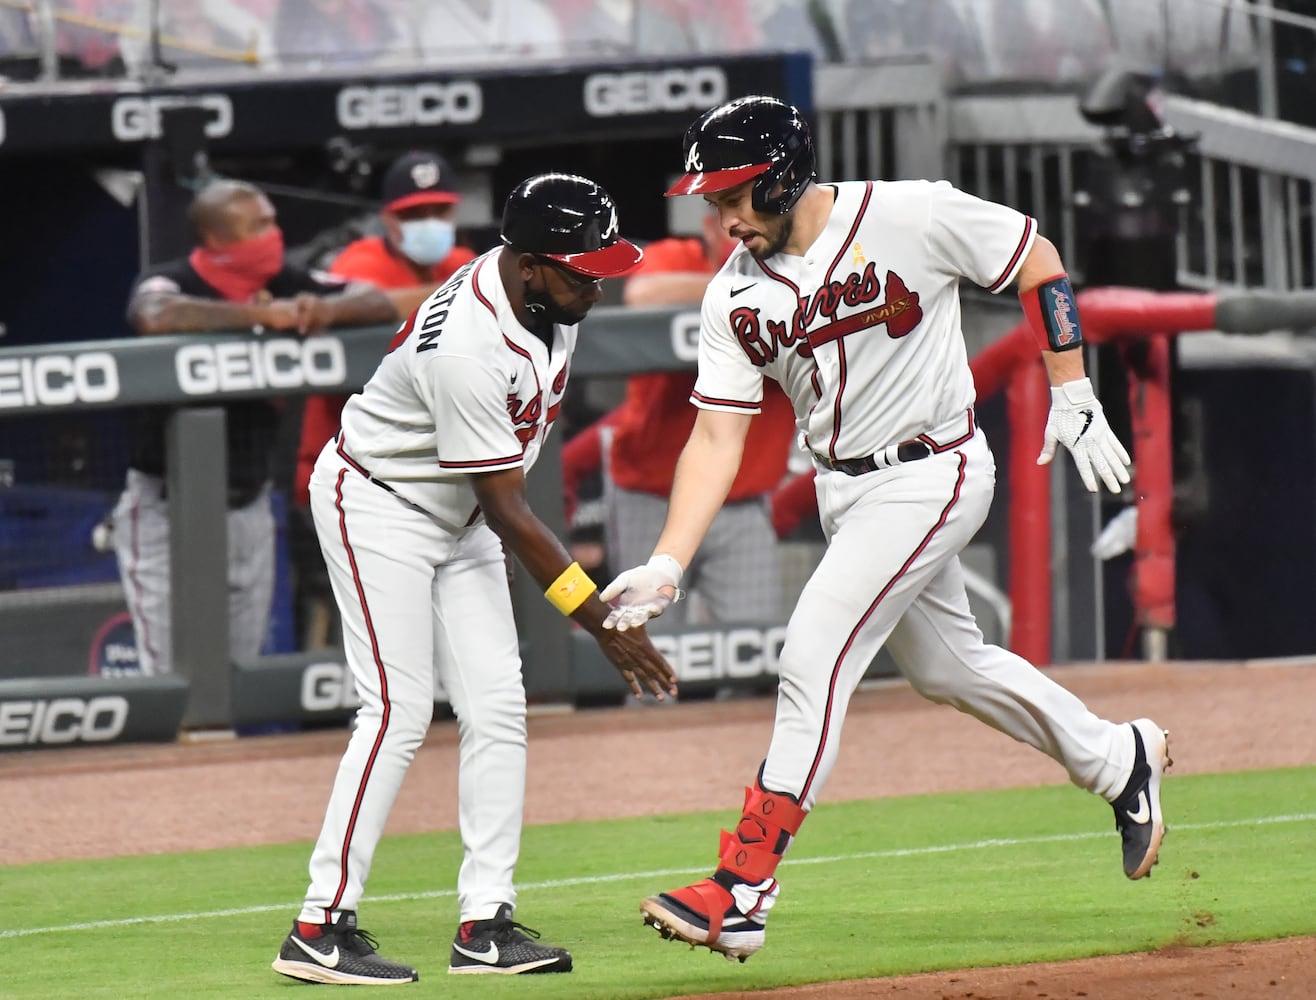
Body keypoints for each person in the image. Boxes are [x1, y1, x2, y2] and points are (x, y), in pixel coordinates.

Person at [600, 96, 1170, 962]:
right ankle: (1117, 759)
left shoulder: (906, 213)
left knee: (813, 650)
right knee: (949, 668)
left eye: (735, 198)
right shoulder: (733, 298)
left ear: (784, 177)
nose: (721, 220)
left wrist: (1071, 387)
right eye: (712, 202)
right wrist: (669, 560)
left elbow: (1037, 259)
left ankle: (745, 886)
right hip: (846, 492)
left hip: (934, 469)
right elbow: (716, 436)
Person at [271, 173, 678, 985]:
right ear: (528, 265)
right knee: (397, 709)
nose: (596, 281)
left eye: (602, 265)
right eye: (578, 267)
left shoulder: (549, 301)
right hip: (379, 504)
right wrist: (596, 620)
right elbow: (509, 510)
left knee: (497, 706)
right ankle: (319, 925)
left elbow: (495, 505)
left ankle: (485, 924)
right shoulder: (470, 342)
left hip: (457, 517)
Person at [111, 179, 397, 676]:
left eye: (271, 221)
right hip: (165, 506)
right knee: (170, 674)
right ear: (217, 238)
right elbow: (153, 314)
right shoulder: (172, 280)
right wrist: (259, 317)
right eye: (258, 225)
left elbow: (375, 299)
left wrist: (326, 308)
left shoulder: (287, 280)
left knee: (238, 671)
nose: (274, 233)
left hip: (247, 504)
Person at [561, 206, 797, 641]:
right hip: (651, 500)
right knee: (649, 648)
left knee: (755, 656)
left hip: (744, 506)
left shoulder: (802, 268)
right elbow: (644, 294)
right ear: (709, 227)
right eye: (727, 220)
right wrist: (755, 290)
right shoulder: (678, 256)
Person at [292, 150, 476, 647]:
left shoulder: (461, 262)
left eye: (438, 212)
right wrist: (457, 295)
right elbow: (351, 304)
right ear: (388, 219)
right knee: (360, 625)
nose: (428, 224)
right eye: (413, 214)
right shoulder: (360, 261)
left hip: (430, 478)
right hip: (352, 475)